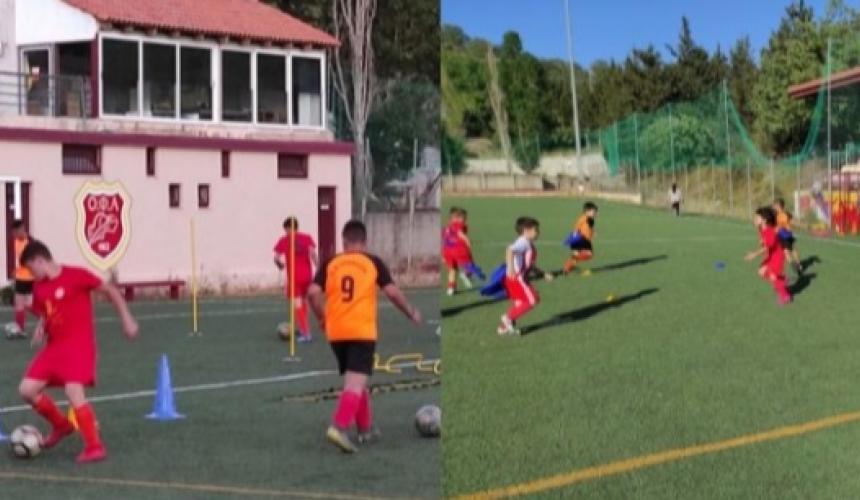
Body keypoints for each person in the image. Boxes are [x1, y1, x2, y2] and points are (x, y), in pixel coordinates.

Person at [17, 240, 139, 463]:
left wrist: (127, 319)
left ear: (40, 260)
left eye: (31, 269)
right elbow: (46, 311)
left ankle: (95, 447)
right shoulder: (39, 287)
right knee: (26, 390)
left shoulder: (76, 275)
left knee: (73, 390)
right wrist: (41, 327)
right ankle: (61, 426)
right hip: (54, 347)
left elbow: (110, 290)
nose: (32, 275)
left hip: (78, 345)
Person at [307, 220, 423, 453]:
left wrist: (322, 318)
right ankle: (339, 427)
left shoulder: (331, 263)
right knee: (355, 383)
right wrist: (410, 311)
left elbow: (312, 293)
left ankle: (365, 430)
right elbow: (392, 293)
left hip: (336, 331)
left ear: (344, 242)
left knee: (357, 380)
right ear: (365, 242)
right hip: (361, 330)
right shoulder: (372, 262)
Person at [498, 217, 552, 336]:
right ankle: (507, 318)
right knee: (533, 300)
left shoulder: (527, 243)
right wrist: (511, 267)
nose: (538, 232)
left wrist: (542, 273)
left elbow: (529, 265)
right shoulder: (523, 242)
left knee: (520, 303)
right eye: (536, 230)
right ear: (526, 231)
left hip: (514, 279)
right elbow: (509, 250)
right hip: (517, 278)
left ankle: (503, 328)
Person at [274, 217, 318, 342]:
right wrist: (318, 269)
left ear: (288, 228)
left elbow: (276, 258)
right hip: (307, 276)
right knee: (304, 303)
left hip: (295, 278)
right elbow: (313, 254)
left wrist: (280, 265)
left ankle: (306, 334)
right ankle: (303, 329)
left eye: (286, 229)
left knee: (297, 305)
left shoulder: (284, 240)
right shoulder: (307, 238)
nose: (285, 232)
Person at [745, 207, 791, 305]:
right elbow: (765, 240)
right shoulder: (762, 229)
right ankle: (782, 280)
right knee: (761, 271)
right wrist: (762, 239)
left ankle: (785, 296)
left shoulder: (769, 231)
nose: (755, 219)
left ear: (764, 220)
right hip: (772, 256)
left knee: (772, 276)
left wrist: (754, 254)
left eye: (757, 218)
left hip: (777, 257)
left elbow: (767, 247)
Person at [442, 207, 483, 296]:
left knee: (452, 269)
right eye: (464, 218)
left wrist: (443, 255)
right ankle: (466, 274)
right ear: (457, 218)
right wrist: (467, 241)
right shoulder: (459, 225)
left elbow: (444, 240)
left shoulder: (447, 228)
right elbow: (460, 233)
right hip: (459, 250)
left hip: (447, 251)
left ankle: (451, 288)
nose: (465, 220)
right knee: (470, 265)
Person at [8, 221, 33, 339]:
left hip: (31, 278)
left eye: (16, 232)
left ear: (22, 229)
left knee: (31, 305)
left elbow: (28, 261)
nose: (14, 235)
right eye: (13, 233)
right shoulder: (14, 242)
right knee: (19, 304)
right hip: (21, 278)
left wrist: (16, 270)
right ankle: (20, 329)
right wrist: (15, 271)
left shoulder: (31, 242)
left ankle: (51, 323)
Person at [563, 202, 598, 275]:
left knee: (585, 255)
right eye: (594, 212)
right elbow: (576, 227)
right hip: (580, 239)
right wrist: (574, 238)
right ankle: (570, 263)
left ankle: (567, 268)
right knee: (588, 254)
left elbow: (589, 228)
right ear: (587, 211)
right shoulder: (583, 218)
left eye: (595, 212)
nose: (595, 213)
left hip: (585, 240)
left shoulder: (591, 219)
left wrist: (592, 233)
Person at [772, 198, 803, 277]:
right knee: (792, 249)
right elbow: (791, 222)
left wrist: (777, 229)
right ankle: (799, 265)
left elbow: (783, 225)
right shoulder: (785, 213)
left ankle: (795, 267)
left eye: (774, 205)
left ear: (778, 205)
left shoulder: (781, 215)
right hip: (788, 234)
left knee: (786, 252)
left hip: (784, 235)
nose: (773, 206)